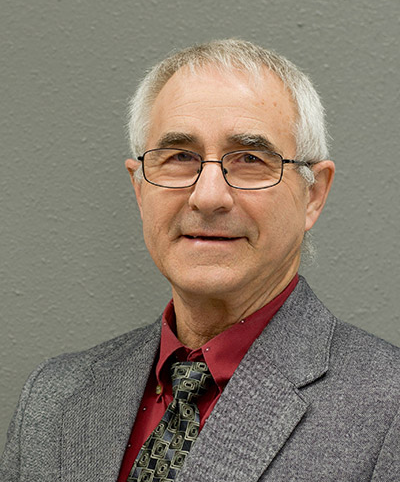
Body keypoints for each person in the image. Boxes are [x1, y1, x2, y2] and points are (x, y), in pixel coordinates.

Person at [1, 39, 399, 482]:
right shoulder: (54, 397)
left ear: (313, 195)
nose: (208, 196)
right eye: (179, 157)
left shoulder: (389, 409)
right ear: (140, 190)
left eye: (250, 159)